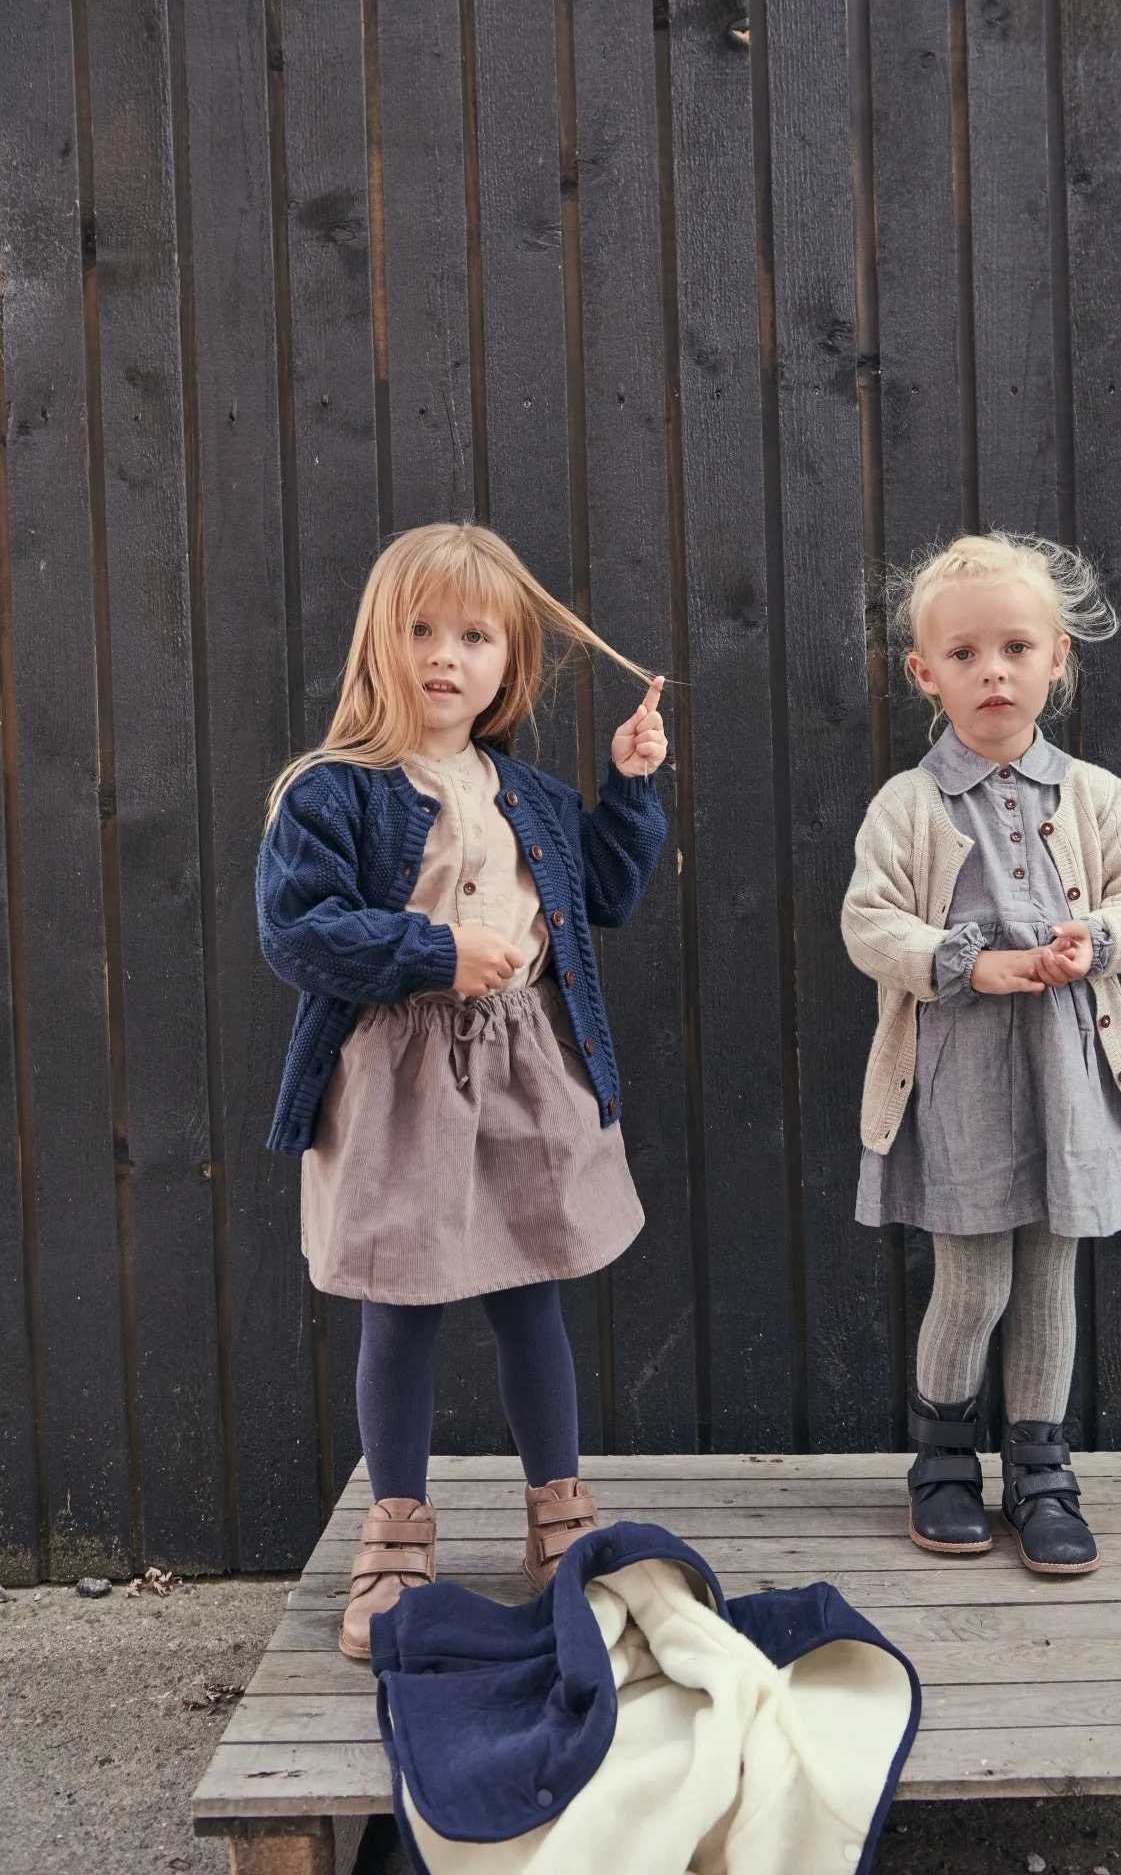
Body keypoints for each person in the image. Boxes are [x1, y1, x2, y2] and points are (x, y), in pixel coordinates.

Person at [257, 523, 668, 1656]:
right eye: (420, 627)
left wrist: (628, 789)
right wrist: (434, 952)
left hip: (527, 1062)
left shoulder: (525, 790)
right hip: (398, 1073)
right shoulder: (330, 789)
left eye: (473, 634)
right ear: (379, 644)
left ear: (508, 661)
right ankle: (396, 1533)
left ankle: (558, 1514)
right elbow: (300, 930)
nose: (445, 653)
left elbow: (606, 898)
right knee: (402, 1300)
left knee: (530, 1286)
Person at [842, 532, 1121, 1574]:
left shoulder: (1093, 794)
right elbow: (868, 921)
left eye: (1017, 647)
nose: (994, 670)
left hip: (1071, 1068)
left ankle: (1040, 1469)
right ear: (924, 672)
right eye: (967, 653)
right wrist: (961, 964)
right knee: (976, 1277)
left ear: (1057, 658)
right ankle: (943, 1461)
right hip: (962, 1077)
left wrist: (1099, 941)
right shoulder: (910, 803)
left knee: (1051, 1277)